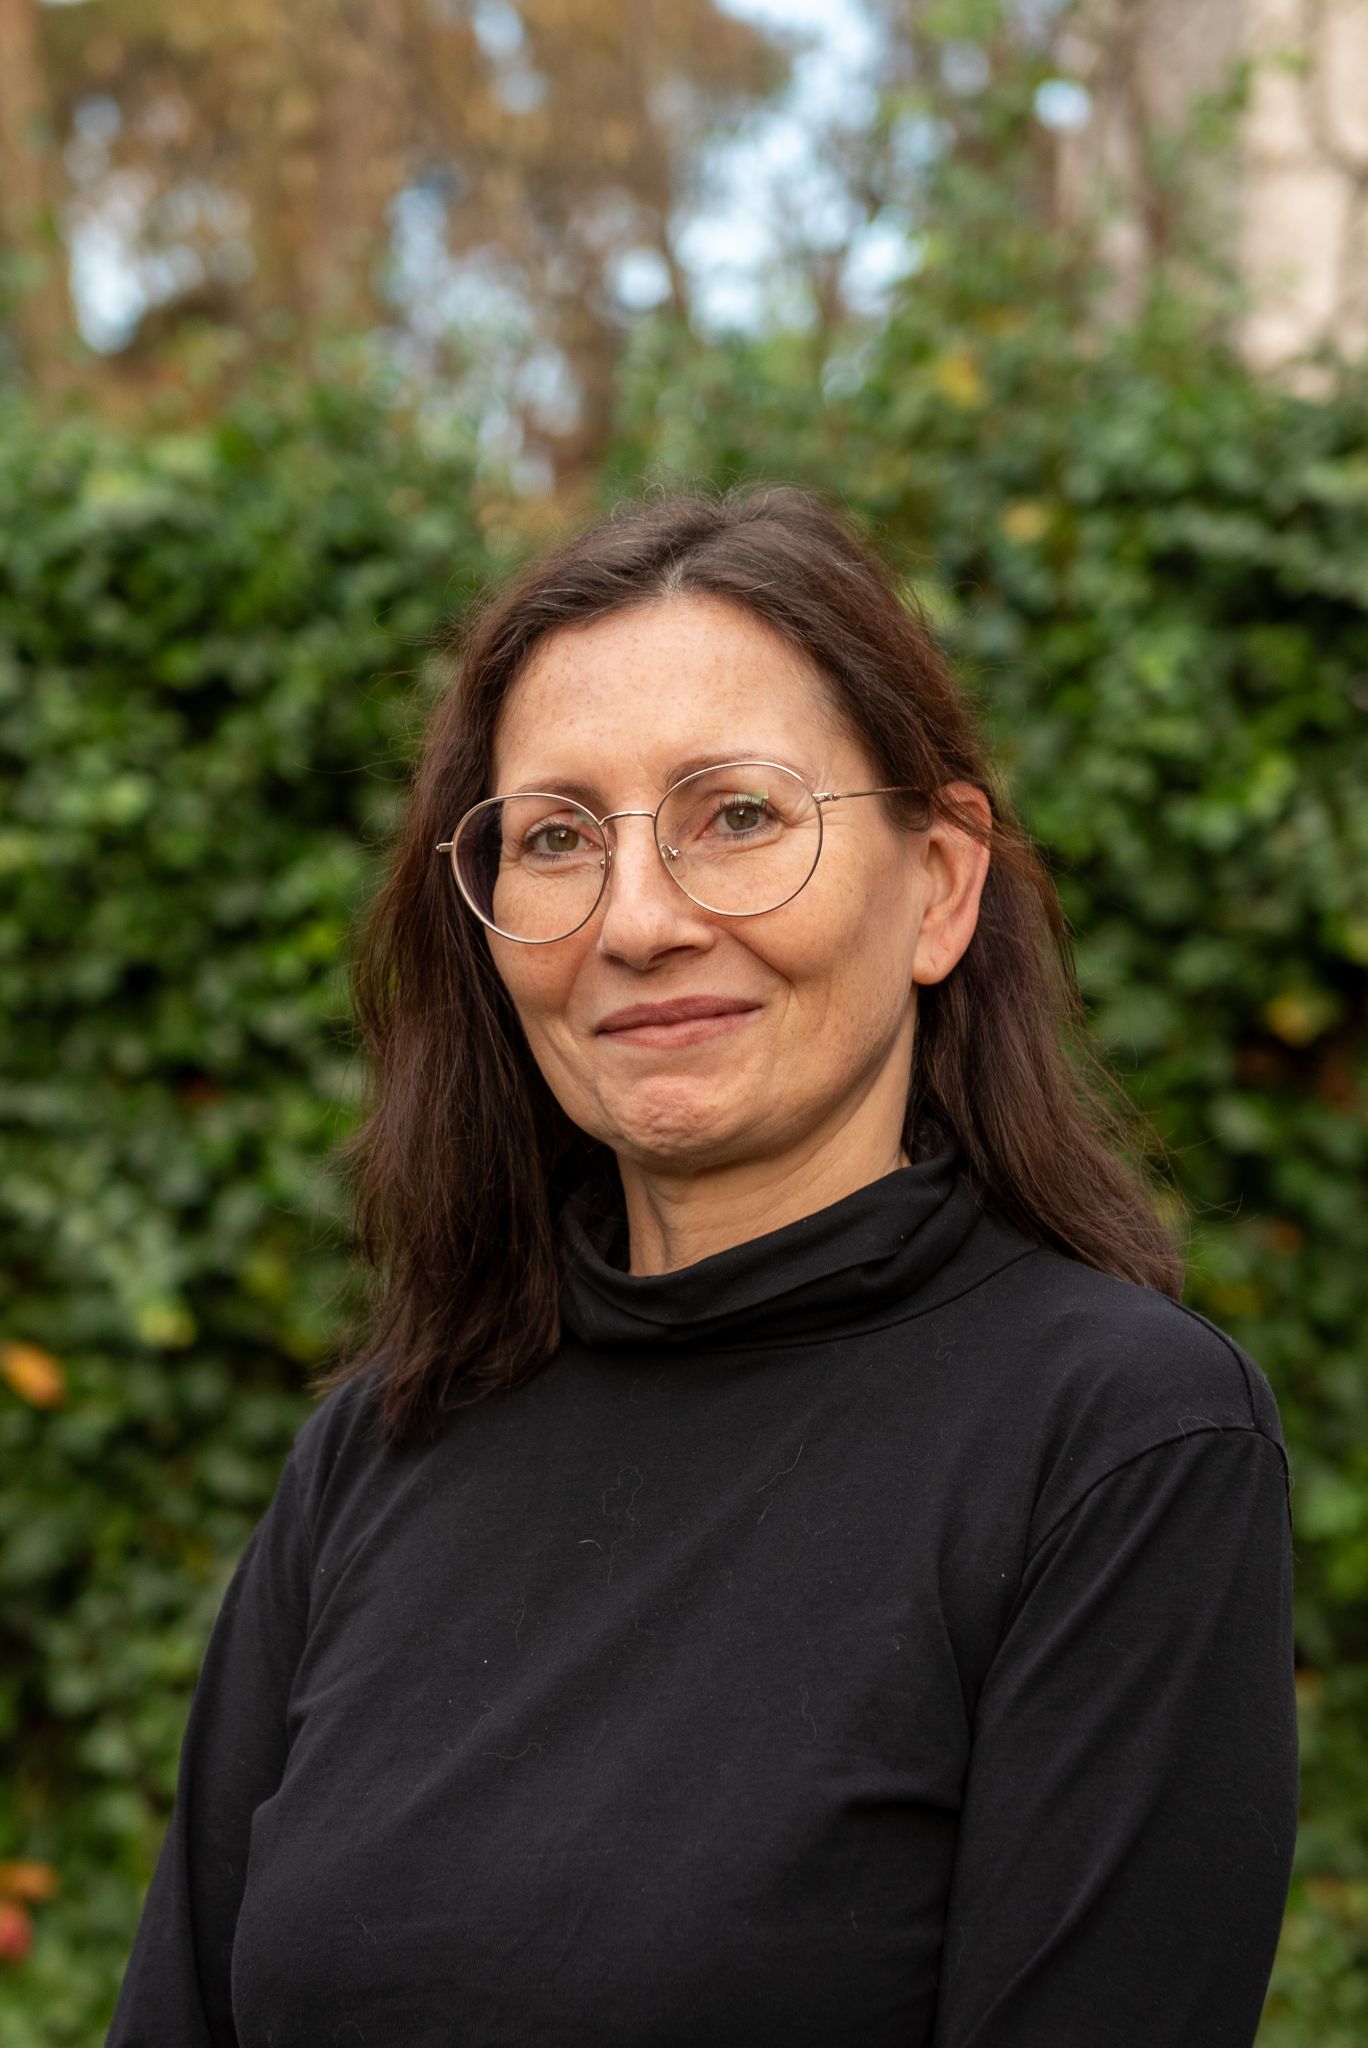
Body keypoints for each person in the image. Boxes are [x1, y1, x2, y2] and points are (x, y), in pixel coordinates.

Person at [106, 484, 1298, 2048]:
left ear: (940, 884)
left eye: (737, 815)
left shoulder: (1115, 1445)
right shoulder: (381, 1454)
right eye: (555, 838)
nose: (639, 922)